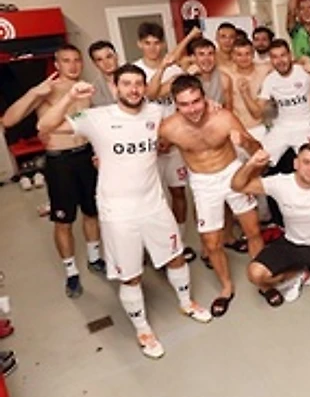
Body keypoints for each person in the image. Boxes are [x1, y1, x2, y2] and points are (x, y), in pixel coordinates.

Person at [37, 64, 211, 359]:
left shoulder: (155, 112)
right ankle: (143, 329)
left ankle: (186, 303)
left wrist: (212, 106)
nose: (133, 89)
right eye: (127, 84)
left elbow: (188, 116)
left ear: (144, 87)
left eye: (138, 84)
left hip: (154, 205)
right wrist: (69, 98)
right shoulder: (97, 117)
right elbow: (45, 126)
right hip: (118, 212)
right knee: (130, 275)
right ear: (115, 87)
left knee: (176, 256)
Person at [2, 44, 104, 298]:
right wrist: (34, 92)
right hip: (60, 161)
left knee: (92, 212)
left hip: (86, 156)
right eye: (66, 60)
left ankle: (94, 258)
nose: (73, 65)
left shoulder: (86, 89)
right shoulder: (47, 90)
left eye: (77, 60)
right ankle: (71, 273)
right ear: (56, 64)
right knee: (63, 220)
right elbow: (8, 120)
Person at [160, 75, 263, 317]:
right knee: (211, 243)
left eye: (196, 101)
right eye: (184, 104)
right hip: (202, 182)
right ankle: (226, 287)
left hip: (232, 172)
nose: (192, 109)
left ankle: (262, 279)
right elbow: (151, 149)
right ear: (175, 104)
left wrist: (244, 141)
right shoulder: (168, 128)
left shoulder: (223, 117)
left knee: (253, 230)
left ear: (205, 98)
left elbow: (257, 148)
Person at [231, 144, 310, 306]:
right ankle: (296, 275)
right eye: (306, 162)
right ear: (296, 164)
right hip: (291, 242)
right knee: (255, 274)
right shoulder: (280, 183)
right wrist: (252, 163)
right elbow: (237, 186)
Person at [133, 22, 190, 252]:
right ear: (139, 44)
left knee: (178, 192)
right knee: (152, 197)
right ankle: (156, 244)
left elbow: (182, 108)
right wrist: (155, 138)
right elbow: (138, 106)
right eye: (147, 43)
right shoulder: (134, 72)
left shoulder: (175, 71)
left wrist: (171, 138)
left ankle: (179, 241)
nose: (153, 48)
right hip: (149, 145)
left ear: (163, 44)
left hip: (175, 143)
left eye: (157, 43)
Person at [253, 39, 310, 166]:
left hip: (307, 126)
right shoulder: (270, 79)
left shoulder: (304, 71)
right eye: (275, 57)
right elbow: (258, 109)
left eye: (283, 55)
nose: (280, 61)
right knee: (259, 160)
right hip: (281, 127)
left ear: (290, 55)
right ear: (271, 60)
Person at [227, 38, 271, 142]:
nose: (244, 58)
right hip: (238, 129)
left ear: (253, 54)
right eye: (239, 54)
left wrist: (305, 62)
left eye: (247, 54)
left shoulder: (264, 69)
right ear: (233, 56)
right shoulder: (227, 75)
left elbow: (288, 62)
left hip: (260, 127)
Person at [188, 38, 233, 110]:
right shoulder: (187, 77)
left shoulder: (224, 79)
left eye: (210, 54)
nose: (207, 59)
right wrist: (188, 76)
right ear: (193, 58)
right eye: (201, 54)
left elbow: (229, 110)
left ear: (215, 56)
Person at [87, 40, 119, 107]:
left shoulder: (134, 77)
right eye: (99, 60)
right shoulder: (93, 90)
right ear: (95, 63)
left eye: (109, 57)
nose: (106, 62)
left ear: (116, 56)